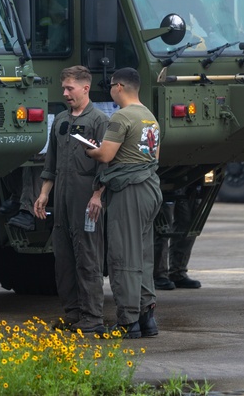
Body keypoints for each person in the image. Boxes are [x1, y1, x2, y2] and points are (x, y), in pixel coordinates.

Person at [83, 67, 162, 338]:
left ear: (118, 87)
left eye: (111, 87)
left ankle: (128, 322)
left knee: (123, 256)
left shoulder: (121, 116)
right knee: (143, 254)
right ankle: (146, 317)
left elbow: (105, 155)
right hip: (150, 188)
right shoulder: (150, 117)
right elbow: (153, 156)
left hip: (129, 191)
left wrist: (87, 147)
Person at [30, 66, 109, 333]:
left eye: (69, 88)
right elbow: (50, 161)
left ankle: (93, 316)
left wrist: (98, 195)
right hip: (61, 199)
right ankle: (74, 313)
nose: (65, 93)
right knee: (63, 257)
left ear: (85, 88)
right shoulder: (62, 120)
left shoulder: (98, 120)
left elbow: (106, 164)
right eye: (63, 88)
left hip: (86, 200)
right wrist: (43, 194)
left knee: (88, 256)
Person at [153, 187, 201, 290]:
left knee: (189, 224)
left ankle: (178, 272)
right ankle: (159, 274)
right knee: (162, 226)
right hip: (165, 180)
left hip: (190, 180)